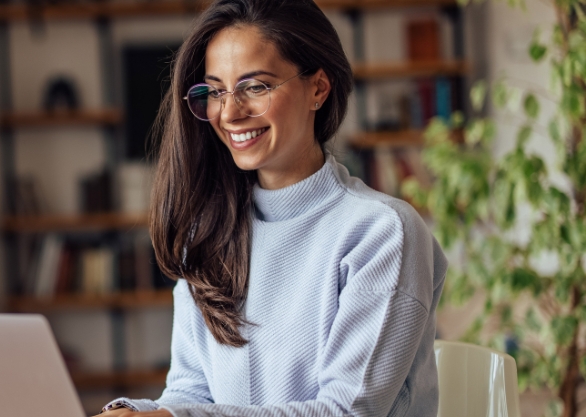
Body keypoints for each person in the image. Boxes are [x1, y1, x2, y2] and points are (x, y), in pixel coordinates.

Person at [98, 0, 447, 416]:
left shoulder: (382, 232)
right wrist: (133, 412)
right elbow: (190, 394)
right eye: (215, 91)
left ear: (318, 88)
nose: (229, 113)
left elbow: (347, 412)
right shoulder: (208, 236)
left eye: (256, 86)